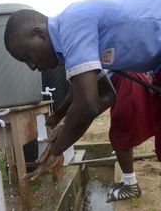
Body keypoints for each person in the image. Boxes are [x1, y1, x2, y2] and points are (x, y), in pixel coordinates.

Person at [4, 0, 161, 210]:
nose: (32, 66)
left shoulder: (70, 25)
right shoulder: (70, 39)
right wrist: (63, 123)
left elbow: (88, 104)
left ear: (39, 34)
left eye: (26, 57)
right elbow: (106, 95)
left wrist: (57, 150)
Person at [46, 71, 154, 202]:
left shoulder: (73, 56)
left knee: (121, 135)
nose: (35, 67)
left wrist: (62, 120)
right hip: (129, 81)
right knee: (121, 134)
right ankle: (127, 181)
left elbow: (82, 102)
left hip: (128, 83)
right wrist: (59, 116)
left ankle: (131, 186)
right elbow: (75, 94)